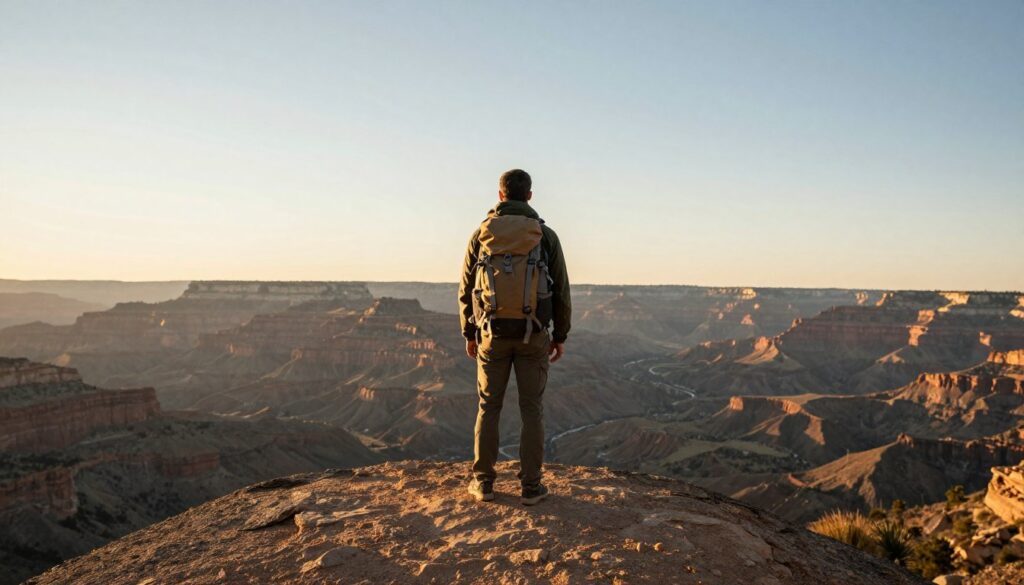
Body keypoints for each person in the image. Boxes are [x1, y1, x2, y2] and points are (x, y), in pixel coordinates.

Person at [458, 168, 571, 506]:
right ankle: (531, 487)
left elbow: (466, 288)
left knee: (488, 406)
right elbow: (562, 291)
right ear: (530, 196)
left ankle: (483, 483)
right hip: (533, 334)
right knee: (531, 409)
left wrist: (469, 331)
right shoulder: (544, 235)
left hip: (491, 334)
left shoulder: (481, 234)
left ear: (500, 195)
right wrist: (560, 335)